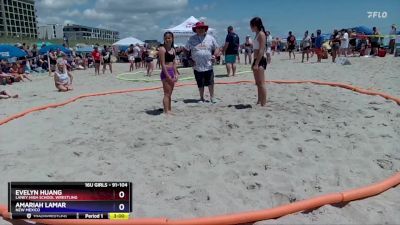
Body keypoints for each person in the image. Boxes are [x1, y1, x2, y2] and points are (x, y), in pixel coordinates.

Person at [185, 21, 220, 103]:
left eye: (202, 28)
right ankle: (201, 98)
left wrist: (215, 56)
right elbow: (185, 50)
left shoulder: (211, 38)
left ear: (205, 29)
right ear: (196, 30)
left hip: (209, 65)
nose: (200, 29)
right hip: (197, 66)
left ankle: (212, 97)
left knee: (211, 82)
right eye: (198, 28)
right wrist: (189, 59)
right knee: (200, 83)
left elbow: (217, 48)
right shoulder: (191, 39)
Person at [159, 32, 179, 115]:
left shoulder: (173, 49)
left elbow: (174, 63)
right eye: (166, 38)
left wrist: (176, 74)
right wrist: (167, 75)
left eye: (169, 38)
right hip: (165, 72)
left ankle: (169, 109)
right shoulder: (162, 49)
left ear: (172, 39)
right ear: (164, 39)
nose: (168, 39)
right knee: (166, 93)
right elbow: (162, 64)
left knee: (170, 93)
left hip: (172, 71)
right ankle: (166, 111)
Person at [250, 17, 267, 107]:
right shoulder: (257, 34)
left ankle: (263, 104)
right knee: (257, 83)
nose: (250, 28)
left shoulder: (261, 34)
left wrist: (256, 63)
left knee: (262, 83)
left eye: (251, 26)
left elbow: (261, 50)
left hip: (260, 60)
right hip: (256, 60)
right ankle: (259, 100)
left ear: (255, 26)